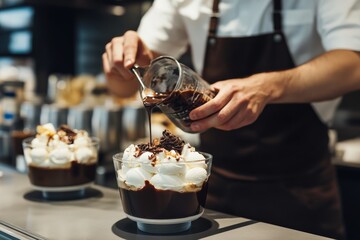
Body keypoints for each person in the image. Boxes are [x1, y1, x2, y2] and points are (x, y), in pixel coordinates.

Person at [103, 0, 360, 239]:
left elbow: (354, 64)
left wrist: (268, 86)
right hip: (210, 192)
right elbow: (125, 87)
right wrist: (120, 64)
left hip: (301, 193)